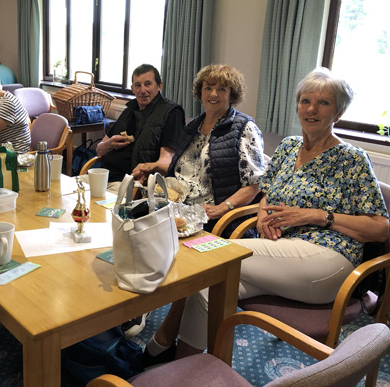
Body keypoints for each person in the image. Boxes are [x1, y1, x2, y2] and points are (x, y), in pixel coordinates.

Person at [151, 68, 389, 363]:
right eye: (305, 101)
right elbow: (266, 194)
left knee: (211, 261)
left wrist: (316, 216)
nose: (312, 109)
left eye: (323, 103)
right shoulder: (289, 147)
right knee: (206, 288)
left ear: (338, 112)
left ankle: (162, 349)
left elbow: (380, 229)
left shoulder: (351, 158)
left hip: (328, 260)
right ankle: (182, 368)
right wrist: (263, 216)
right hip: (280, 255)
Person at [132, 64, 267, 231]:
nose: (213, 94)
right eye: (208, 88)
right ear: (200, 92)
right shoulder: (193, 126)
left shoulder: (244, 128)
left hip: (211, 218)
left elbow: (255, 184)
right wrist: (151, 169)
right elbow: (185, 170)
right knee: (128, 224)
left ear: (232, 94)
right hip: (176, 210)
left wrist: (223, 207)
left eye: (222, 89)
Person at [97, 64, 185, 189]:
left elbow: (166, 162)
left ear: (159, 86)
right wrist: (110, 144)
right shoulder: (129, 110)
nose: (142, 90)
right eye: (138, 85)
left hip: (129, 183)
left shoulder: (171, 113)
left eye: (148, 84)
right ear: (132, 89)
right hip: (104, 175)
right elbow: (99, 150)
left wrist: (147, 169)